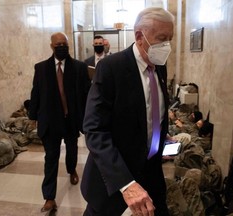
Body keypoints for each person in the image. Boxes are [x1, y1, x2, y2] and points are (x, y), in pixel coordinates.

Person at [81, 7, 174, 216]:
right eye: (162, 38)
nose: (167, 45)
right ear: (140, 36)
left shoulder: (160, 65)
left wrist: (159, 136)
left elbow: (149, 109)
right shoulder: (111, 68)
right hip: (114, 179)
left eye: (170, 38)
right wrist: (125, 184)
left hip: (151, 173)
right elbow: (94, 129)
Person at [28, 32, 90, 213]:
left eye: (65, 44)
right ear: (51, 46)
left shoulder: (79, 67)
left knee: (72, 151)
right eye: (58, 44)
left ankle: (72, 170)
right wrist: (33, 117)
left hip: (71, 120)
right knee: (51, 158)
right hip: (50, 121)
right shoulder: (41, 68)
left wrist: (88, 117)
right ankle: (49, 197)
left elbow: (86, 95)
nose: (62, 47)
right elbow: (36, 93)